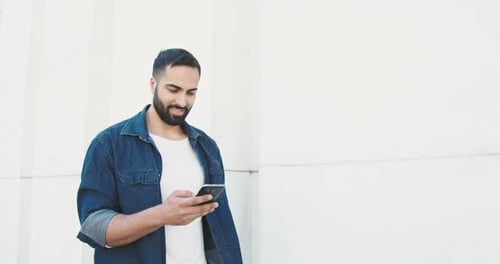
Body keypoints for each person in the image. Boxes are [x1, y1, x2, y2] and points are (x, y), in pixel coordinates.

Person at [77, 48, 243, 264]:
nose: (182, 102)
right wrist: (163, 215)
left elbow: (222, 227)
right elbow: (94, 228)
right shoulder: (109, 144)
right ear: (153, 84)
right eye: (173, 89)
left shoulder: (206, 147)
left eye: (191, 92)